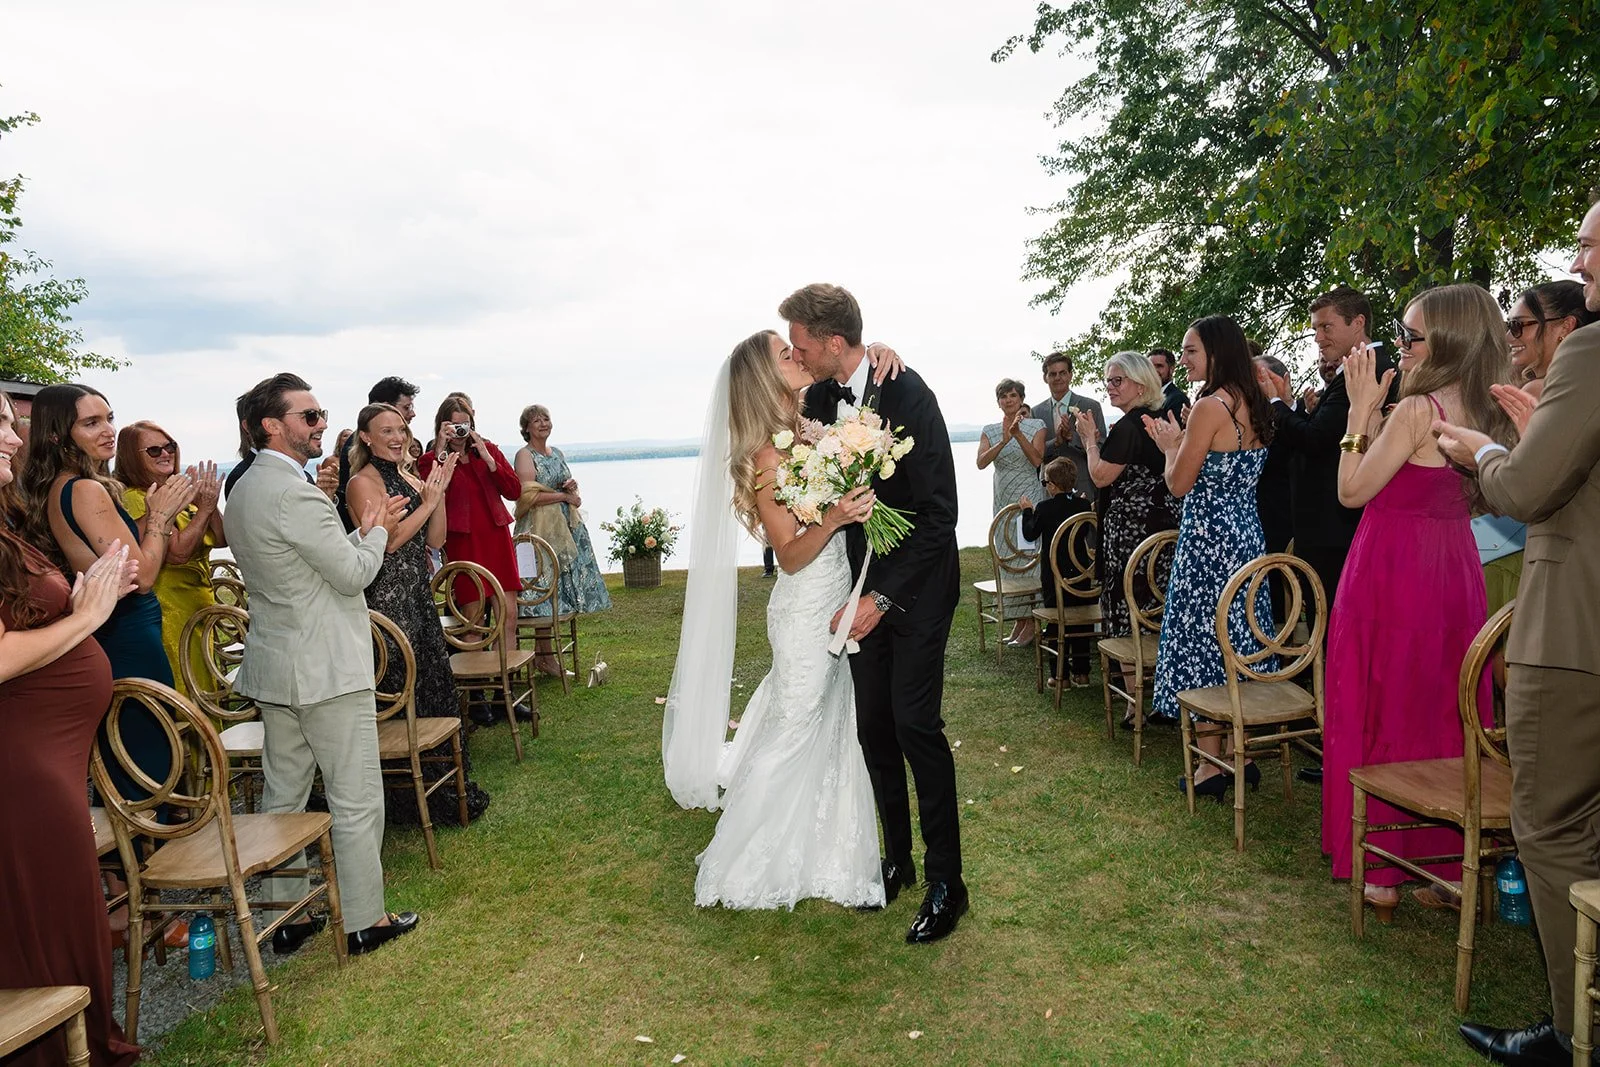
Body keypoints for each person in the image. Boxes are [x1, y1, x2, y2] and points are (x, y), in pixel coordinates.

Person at [1436, 199, 1600, 1067]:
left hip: (1574, 632)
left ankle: (1578, 1034)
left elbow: (1530, 492)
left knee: (1552, 830)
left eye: (1588, 244)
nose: (1578, 260)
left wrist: (1483, 451)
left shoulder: (1590, 348)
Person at [666, 329, 884, 911]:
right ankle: (743, 863)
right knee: (797, 724)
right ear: (765, 379)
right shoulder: (767, 455)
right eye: (785, 355)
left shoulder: (805, 435)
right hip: (806, 605)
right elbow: (787, 553)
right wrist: (835, 517)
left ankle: (821, 847)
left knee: (826, 719)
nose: (797, 356)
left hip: (836, 590)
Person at [1324, 284, 1515, 922]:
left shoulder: (1418, 410)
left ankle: (1381, 869)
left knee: (1381, 702)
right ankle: (1443, 862)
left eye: (1410, 336)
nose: (1399, 347)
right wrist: (1378, 415)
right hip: (1454, 574)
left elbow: (1352, 491)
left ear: (1448, 342)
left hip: (1391, 572)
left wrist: (1356, 413)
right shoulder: (1487, 409)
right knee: (1441, 708)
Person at [784, 283, 967, 943]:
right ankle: (896, 859)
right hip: (856, 582)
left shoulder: (909, 393)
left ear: (834, 341)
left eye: (803, 343)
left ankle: (949, 881)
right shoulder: (819, 399)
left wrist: (881, 598)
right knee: (874, 730)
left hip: (914, 591)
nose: (798, 354)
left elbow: (940, 515)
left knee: (917, 726)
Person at [225, 372, 420, 958]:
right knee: (355, 796)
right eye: (308, 417)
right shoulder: (295, 494)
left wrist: (358, 537)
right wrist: (377, 532)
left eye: (319, 414)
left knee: (284, 792)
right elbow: (354, 573)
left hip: (279, 667)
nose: (319, 426)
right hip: (327, 670)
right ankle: (365, 919)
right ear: (271, 425)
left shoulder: (241, 491)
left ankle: (286, 916)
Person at [0, 392, 142, 1067]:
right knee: (52, 916)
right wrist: (88, 617)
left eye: (13, 422)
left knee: (67, 907)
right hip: (22, 760)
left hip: (51, 752)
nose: (13, 438)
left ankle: (83, 1042)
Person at [19, 385, 195, 816]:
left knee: (127, 754)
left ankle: (126, 869)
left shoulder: (57, 486)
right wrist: (159, 519)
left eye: (109, 418)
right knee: (147, 753)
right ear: (60, 434)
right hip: (128, 631)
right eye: (91, 422)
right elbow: (143, 578)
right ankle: (144, 865)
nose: (108, 430)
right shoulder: (84, 490)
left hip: (112, 631)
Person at [1144, 316, 1275, 800]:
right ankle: (1241, 755)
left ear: (1217, 353)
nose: (1184, 359)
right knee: (1237, 641)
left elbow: (1178, 484)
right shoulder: (1254, 400)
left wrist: (1169, 447)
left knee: (1203, 644)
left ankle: (1210, 766)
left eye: (1191, 351)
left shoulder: (1208, 407)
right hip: (1246, 536)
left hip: (1205, 540)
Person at [346, 403, 490, 825]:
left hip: (417, 596)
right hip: (387, 600)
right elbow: (387, 543)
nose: (396, 437)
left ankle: (443, 784)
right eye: (386, 430)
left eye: (402, 429)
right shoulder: (362, 483)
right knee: (400, 690)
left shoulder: (409, 477)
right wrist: (426, 503)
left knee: (432, 689)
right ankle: (403, 797)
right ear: (366, 438)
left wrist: (436, 494)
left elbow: (436, 538)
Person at [1076, 351, 1181, 717]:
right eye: (1108, 381)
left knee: (1127, 606)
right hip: (1164, 526)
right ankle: (1162, 695)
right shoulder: (1157, 419)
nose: (1111, 387)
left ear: (1140, 383)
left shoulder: (1130, 425)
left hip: (1131, 532)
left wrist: (1090, 439)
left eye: (1117, 380)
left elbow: (1101, 476)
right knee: (1157, 603)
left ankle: (1136, 703)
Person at [113, 421, 225, 694]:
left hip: (197, 607)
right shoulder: (139, 498)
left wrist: (206, 505)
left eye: (170, 446)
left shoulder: (177, 494)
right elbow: (178, 553)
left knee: (204, 687)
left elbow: (222, 539)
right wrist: (203, 512)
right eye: (153, 450)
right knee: (186, 688)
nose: (165, 454)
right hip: (171, 612)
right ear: (131, 457)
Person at [512, 404, 612, 677]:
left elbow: (560, 486)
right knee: (543, 586)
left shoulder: (556, 453)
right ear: (526, 428)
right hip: (538, 530)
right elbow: (527, 495)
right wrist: (562, 496)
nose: (543, 423)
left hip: (563, 527)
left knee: (559, 586)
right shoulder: (525, 455)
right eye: (536, 420)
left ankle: (546, 656)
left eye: (546, 418)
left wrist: (571, 491)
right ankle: (544, 657)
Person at [419, 395, 522, 657]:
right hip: (464, 542)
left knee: (508, 616)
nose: (460, 431)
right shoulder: (432, 458)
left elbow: (514, 491)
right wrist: (442, 448)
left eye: (465, 424)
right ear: (442, 426)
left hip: (496, 536)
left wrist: (490, 460)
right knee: (473, 620)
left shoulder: (487, 450)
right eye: (454, 425)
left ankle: (504, 686)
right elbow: (429, 492)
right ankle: (476, 687)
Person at [977, 378, 1045, 646]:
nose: (1008, 400)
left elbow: (1037, 460)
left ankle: (1031, 622)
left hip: (1027, 494)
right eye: (1003, 397)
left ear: (1021, 398)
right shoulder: (990, 430)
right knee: (1007, 557)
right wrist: (1003, 441)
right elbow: (981, 462)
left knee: (1027, 555)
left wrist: (1017, 435)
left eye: (1013, 396)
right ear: (998, 402)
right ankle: (1018, 621)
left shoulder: (1036, 425)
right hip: (1002, 494)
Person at [1018, 457, 1095, 685]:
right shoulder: (1082, 505)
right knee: (1081, 619)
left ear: (1051, 485)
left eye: (1045, 483)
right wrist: (1081, 504)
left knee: (1056, 619)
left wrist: (1027, 512)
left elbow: (1031, 533)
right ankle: (1082, 672)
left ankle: (1058, 674)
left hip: (1054, 573)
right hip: (1080, 571)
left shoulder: (1044, 508)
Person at [336, 376, 419, 532]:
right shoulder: (357, 456)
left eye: (401, 430)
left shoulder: (401, 471)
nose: (413, 413)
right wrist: (428, 505)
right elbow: (383, 539)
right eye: (407, 407)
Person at [1252, 354, 1297, 629]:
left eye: (1265, 379)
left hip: (1290, 516)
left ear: (1284, 379)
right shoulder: (1253, 420)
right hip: (1262, 516)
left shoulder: (1299, 414)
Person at [1033, 352, 1106, 502]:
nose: (1058, 378)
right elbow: (1035, 455)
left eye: (1062, 373)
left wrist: (1073, 438)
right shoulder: (1036, 412)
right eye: (1052, 374)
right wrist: (1057, 442)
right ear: (1045, 378)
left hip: (1083, 487)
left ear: (1071, 375)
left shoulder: (1090, 407)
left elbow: (1102, 447)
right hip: (1049, 492)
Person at [1148, 347, 1190, 417]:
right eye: (1150, 367)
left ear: (1171, 369)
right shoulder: (1145, 398)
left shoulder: (1177, 399)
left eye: (1159, 366)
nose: (1154, 371)